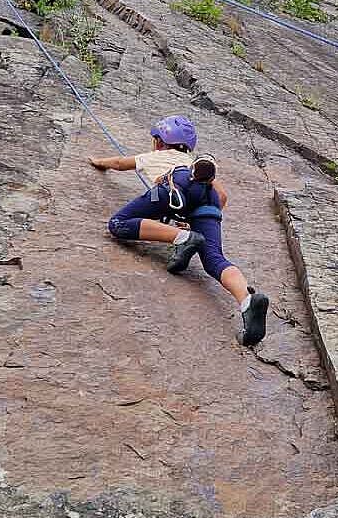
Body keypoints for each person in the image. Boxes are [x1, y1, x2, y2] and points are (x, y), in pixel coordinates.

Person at [89, 115, 270, 347]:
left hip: (174, 186)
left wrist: (99, 161)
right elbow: (222, 197)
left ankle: (181, 238)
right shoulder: (192, 162)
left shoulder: (154, 156)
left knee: (119, 223)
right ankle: (246, 300)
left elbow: (120, 163)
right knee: (214, 258)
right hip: (207, 198)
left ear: (160, 142)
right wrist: (192, 217)